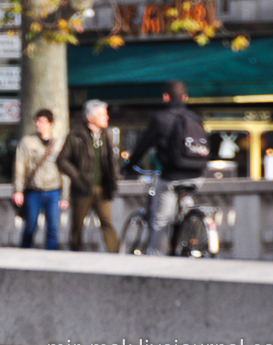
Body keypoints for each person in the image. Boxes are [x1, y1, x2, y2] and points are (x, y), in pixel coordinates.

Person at [124, 80, 205, 255]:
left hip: (172, 176)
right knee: (184, 204)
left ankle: (157, 258)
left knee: (160, 220)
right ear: (185, 97)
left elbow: (143, 146)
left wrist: (129, 165)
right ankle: (191, 231)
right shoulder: (196, 118)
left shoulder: (160, 118)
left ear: (165, 97)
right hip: (197, 175)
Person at [58, 99, 120, 252]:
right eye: (103, 115)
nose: (107, 118)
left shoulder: (106, 135)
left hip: (102, 188)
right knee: (77, 226)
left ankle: (115, 254)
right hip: (82, 188)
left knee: (107, 223)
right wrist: (77, 177)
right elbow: (62, 160)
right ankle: (76, 253)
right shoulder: (76, 135)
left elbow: (110, 161)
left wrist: (114, 178)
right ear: (91, 118)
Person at [12, 109, 69, 250]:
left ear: (50, 124)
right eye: (37, 121)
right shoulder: (27, 142)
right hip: (34, 189)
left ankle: (50, 257)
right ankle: (24, 251)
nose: (39, 124)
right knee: (30, 225)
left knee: (53, 227)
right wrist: (18, 190)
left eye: (43, 122)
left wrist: (65, 195)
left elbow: (64, 170)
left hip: (53, 189)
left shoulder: (58, 144)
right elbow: (20, 166)